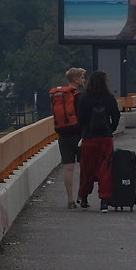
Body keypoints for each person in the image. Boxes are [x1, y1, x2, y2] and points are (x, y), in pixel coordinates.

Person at [76, 70, 121, 213]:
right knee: (105, 169)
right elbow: (116, 116)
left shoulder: (84, 97)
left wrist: (85, 130)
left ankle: (84, 198)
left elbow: (80, 118)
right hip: (105, 139)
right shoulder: (109, 98)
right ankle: (104, 201)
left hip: (89, 138)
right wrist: (110, 129)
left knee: (86, 169)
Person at [50, 67, 86, 209]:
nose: (84, 80)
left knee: (68, 168)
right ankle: (82, 196)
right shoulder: (79, 96)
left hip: (63, 135)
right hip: (78, 135)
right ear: (76, 80)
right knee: (83, 167)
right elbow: (83, 117)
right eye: (82, 78)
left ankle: (70, 200)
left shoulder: (60, 96)